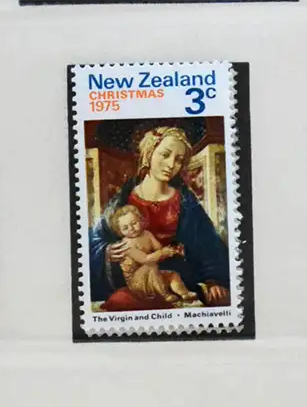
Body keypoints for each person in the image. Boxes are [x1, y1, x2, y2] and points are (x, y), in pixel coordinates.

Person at [88, 125, 231, 312]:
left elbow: (208, 243)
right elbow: (94, 240)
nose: (171, 165)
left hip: (179, 279)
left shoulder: (186, 201)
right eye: (165, 155)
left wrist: (215, 281)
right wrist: (107, 252)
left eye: (179, 160)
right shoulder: (123, 199)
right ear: (149, 153)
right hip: (136, 281)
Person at [107, 205, 201, 306]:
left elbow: (159, 248)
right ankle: (165, 295)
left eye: (134, 223)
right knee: (150, 265)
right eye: (125, 228)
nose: (131, 229)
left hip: (153, 275)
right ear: (119, 231)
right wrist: (162, 253)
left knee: (171, 275)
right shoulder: (126, 245)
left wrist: (171, 250)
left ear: (141, 221)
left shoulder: (147, 234)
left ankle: (184, 293)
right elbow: (146, 259)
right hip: (136, 282)